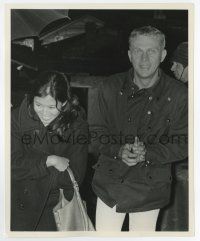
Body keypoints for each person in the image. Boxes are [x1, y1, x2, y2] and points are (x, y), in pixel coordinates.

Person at [91, 26, 188, 231]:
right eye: (138, 51)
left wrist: (149, 153)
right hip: (110, 184)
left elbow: (185, 142)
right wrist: (118, 150)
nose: (144, 59)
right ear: (129, 54)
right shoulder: (108, 87)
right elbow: (94, 134)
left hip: (150, 188)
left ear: (162, 55)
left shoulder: (181, 95)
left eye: (151, 51)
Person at [11, 71, 88, 231]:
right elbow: (10, 166)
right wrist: (49, 161)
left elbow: (75, 176)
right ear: (31, 98)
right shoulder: (16, 119)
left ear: (64, 103)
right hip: (18, 204)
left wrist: (32, 172)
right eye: (38, 105)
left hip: (56, 207)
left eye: (52, 107)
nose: (44, 114)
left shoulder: (77, 126)